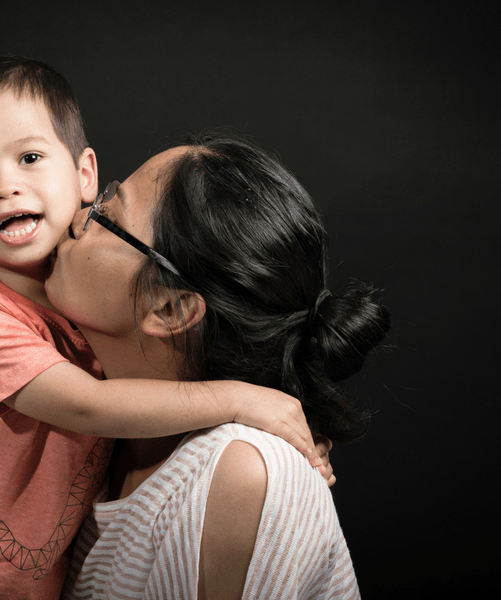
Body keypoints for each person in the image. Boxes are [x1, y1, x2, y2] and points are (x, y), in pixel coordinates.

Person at [0, 57, 328, 600]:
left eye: (29, 158)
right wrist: (243, 399)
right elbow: (87, 406)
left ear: (83, 176)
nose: (5, 187)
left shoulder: (97, 302)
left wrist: (291, 426)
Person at [49, 134, 391, 599]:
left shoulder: (244, 473)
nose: (76, 215)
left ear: (170, 310)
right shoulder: (88, 409)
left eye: (108, 214)